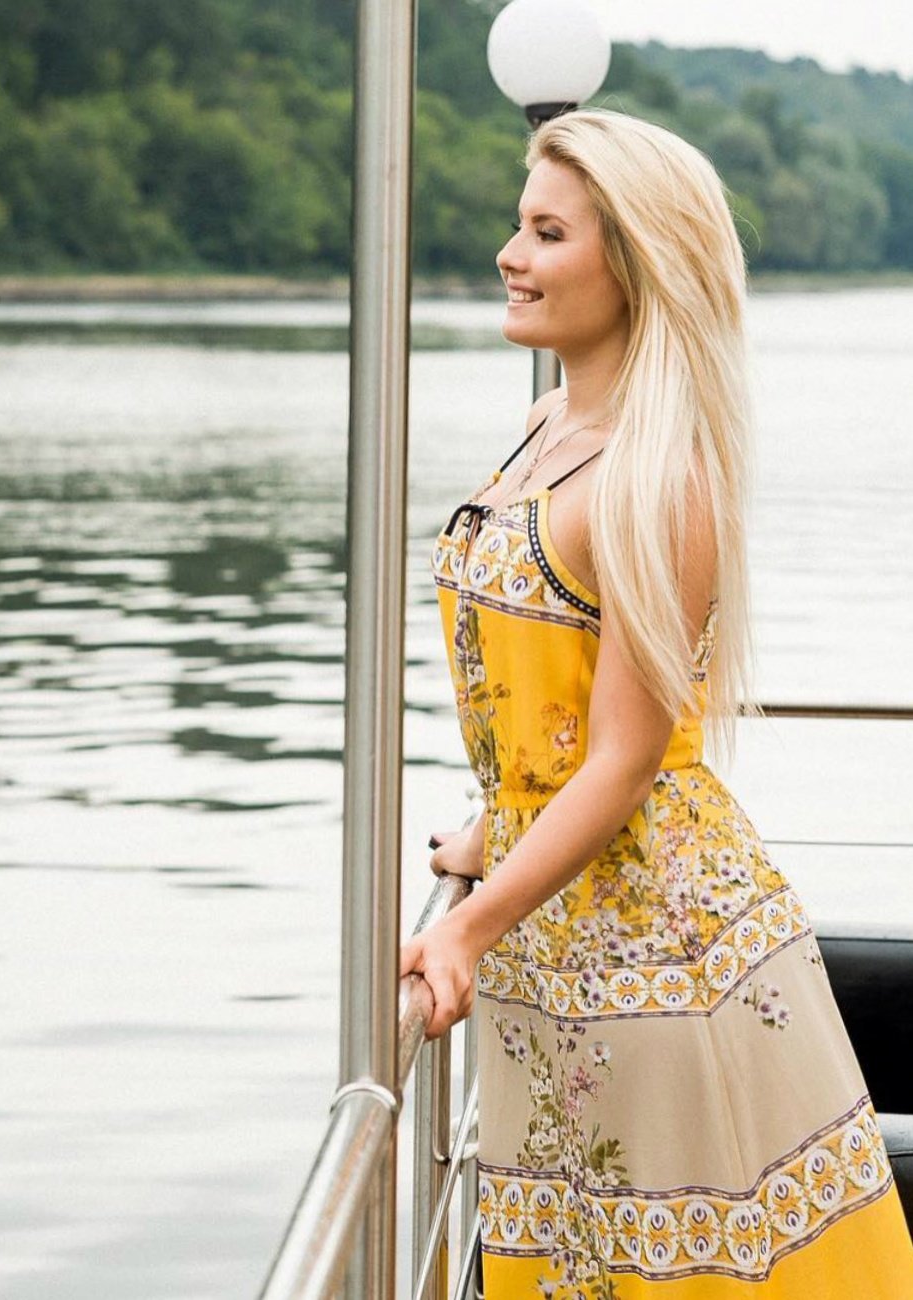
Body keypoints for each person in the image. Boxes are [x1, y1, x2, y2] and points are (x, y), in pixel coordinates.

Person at [398, 107, 913, 1297]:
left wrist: (465, 925)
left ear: (631, 260)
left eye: (547, 233)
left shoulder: (655, 471)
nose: (508, 255)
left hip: (652, 947)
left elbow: (627, 759)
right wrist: (499, 821)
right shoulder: (549, 423)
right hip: (555, 923)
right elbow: (547, 690)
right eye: (519, 226)